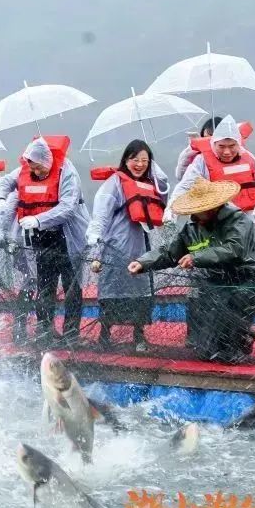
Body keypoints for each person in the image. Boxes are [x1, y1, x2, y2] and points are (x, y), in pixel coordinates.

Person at [130, 177, 255, 363]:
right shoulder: (191, 227)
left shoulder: (238, 220)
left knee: (230, 308)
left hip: (251, 280)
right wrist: (143, 262)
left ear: (215, 206)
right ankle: (234, 337)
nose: (197, 214)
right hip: (217, 283)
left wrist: (195, 257)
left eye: (202, 209)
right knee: (206, 348)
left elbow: (234, 249)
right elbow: (170, 253)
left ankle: (238, 336)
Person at [0, 136, 90, 344]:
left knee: (73, 286)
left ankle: (71, 334)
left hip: (68, 236)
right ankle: (45, 330)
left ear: (47, 162)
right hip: (42, 238)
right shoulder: (25, 170)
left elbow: (68, 208)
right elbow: (5, 182)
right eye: (33, 168)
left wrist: (38, 219)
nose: (36, 173)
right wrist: (0, 199)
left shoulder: (68, 173)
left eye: (39, 169)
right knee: (45, 285)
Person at [87, 140, 169, 352]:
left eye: (144, 160)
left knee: (141, 292)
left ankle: (139, 336)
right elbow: (101, 217)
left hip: (141, 247)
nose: (139, 164)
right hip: (115, 248)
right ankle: (105, 336)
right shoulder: (114, 183)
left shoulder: (152, 183)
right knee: (111, 291)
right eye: (134, 159)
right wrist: (96, 249)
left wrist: (160, 177)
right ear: (125, 160)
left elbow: (164, 201)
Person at [167, 115, 255, 227]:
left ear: (239, 143)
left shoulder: (249, 158)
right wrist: (171, 209)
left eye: (232, 146)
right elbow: (184, 186)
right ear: (213, 143)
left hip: (247, 222)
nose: (227, 152)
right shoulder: (201, 161)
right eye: (221, 146)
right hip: (212, 225)